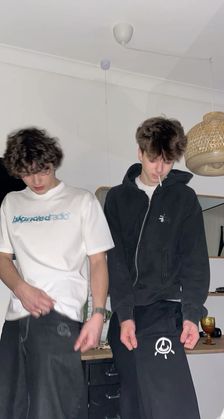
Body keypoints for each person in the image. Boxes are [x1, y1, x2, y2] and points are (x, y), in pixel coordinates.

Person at [0, 127, 114, 419]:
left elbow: (98, 262)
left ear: (53, 162)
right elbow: (2, 258)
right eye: (26, 173)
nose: (35, 180)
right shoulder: (12, 203)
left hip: (59, 317)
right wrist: (21, 288)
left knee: (55, 410)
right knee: (10, 407)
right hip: (15, 321)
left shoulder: (82, 201)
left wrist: (97, 315)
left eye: (42, 170)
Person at [104, 116, 210, 419]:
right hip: (126, 316)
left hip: (164, 311)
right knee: (134, 403)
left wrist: (191, 316)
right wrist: (124, 316)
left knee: (172, 406)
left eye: (167, 161)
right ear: (140, 153)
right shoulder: (117, 199)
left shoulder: (184, 199)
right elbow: (116, 263)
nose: (159, 168)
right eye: (153, 159)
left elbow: (195, 261)